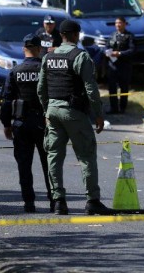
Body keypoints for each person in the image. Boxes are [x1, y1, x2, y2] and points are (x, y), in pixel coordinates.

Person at [37, 19, 115, 216]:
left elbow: (41, 88)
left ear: (61, 35)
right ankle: (92, 200)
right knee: (86, 155)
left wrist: (47, 110)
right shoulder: (80, 56)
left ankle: (58, 201)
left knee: (54, 156)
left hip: (53, 111)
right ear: (75, 35)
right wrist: (98, 115)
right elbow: (91, 89)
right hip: (74, 112)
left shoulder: (49, 57)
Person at [0, 34, 53, 213]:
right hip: (43, 122)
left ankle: (29, 202)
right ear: (39, 49)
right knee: (49, 164)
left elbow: (7, 100)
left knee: (24, 164)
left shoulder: (15, 71)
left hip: (21, 124)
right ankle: (55, 201)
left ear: (24, 49)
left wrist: (6, 124)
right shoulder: (45, 70)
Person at [105, 16, 135, 114]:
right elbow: (107, 47)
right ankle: (113, 107)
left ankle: (122, 107)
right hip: (112, 66)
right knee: (112, 88)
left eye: (120, 23)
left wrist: (119, 54)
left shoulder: (129, 36)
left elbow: (132, 50)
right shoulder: (112, 35)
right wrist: (107, 52)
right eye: (116, 23)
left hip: (124, 66)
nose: (118, 25)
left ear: (124, 24)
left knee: (124, 87)